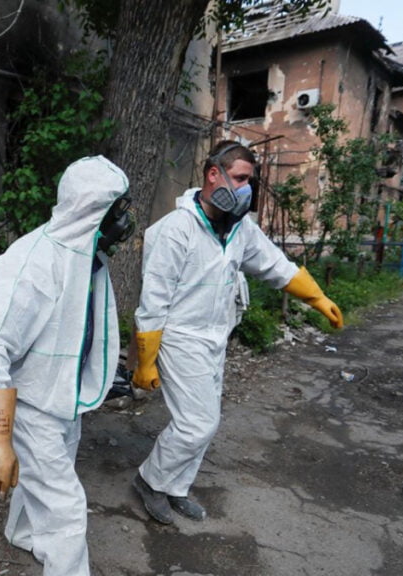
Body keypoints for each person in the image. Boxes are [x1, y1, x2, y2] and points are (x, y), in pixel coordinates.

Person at [131, 141, 343, 525]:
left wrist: (317, 297)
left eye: (250, 181)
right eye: (241, 179)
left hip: (216, 337)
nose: (247, 189)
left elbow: (274, 263)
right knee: (197, 424)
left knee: (206, 421)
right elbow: (154, 300)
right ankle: (150, 480)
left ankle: (176, 487)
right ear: (214, 174)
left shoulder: (239, 228)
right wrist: (146, 360)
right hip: (181, 337)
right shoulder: (176, 230)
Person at [0, 156, 135, 576]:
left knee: (40, 481)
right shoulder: (32, 264)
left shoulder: (84, 254)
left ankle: (22, 533)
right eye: (116, 210)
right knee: (65, 511)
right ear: (92, 209)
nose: (123, 221)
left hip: (61, 398)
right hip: (33, 407)